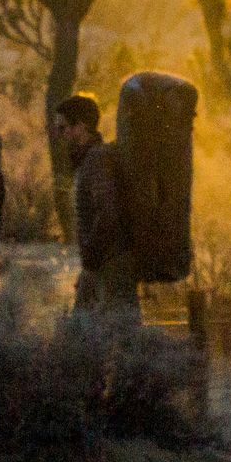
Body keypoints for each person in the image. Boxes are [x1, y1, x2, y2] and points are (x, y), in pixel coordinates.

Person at [52, 92, 138, 314]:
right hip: (100, 265)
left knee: (120, 336)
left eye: (63, 128)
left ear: (80, 127)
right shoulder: (91, 160)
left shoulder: (97, 161)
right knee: (84, 333)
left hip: (110, 266)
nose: (59, 135)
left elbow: (108, 214)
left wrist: (90, 259)